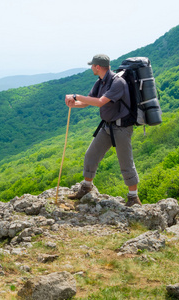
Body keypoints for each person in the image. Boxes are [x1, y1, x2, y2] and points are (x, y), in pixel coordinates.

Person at [65, 54, 142, 207]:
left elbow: (100, 102)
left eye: (92, 65)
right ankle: (86, 188)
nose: (91, 68)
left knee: (126, 162)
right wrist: (74, 103)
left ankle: (133, 198)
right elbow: (87, 102)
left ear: (98, 67)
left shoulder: (117, 83)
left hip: (122, 128)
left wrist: (76, 95)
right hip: (107, 126)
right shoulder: (100, 82)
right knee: (91, 155)